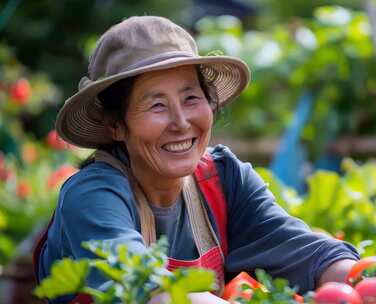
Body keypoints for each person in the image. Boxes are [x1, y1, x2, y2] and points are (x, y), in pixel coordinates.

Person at [34, 16, 359, 303]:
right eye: (157, 105)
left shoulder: (226, 178)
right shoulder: (92, 196)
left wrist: (371, 281)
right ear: (115, 125)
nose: (181, 122)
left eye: (191, 98)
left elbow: (307, 253)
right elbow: (145, 288)